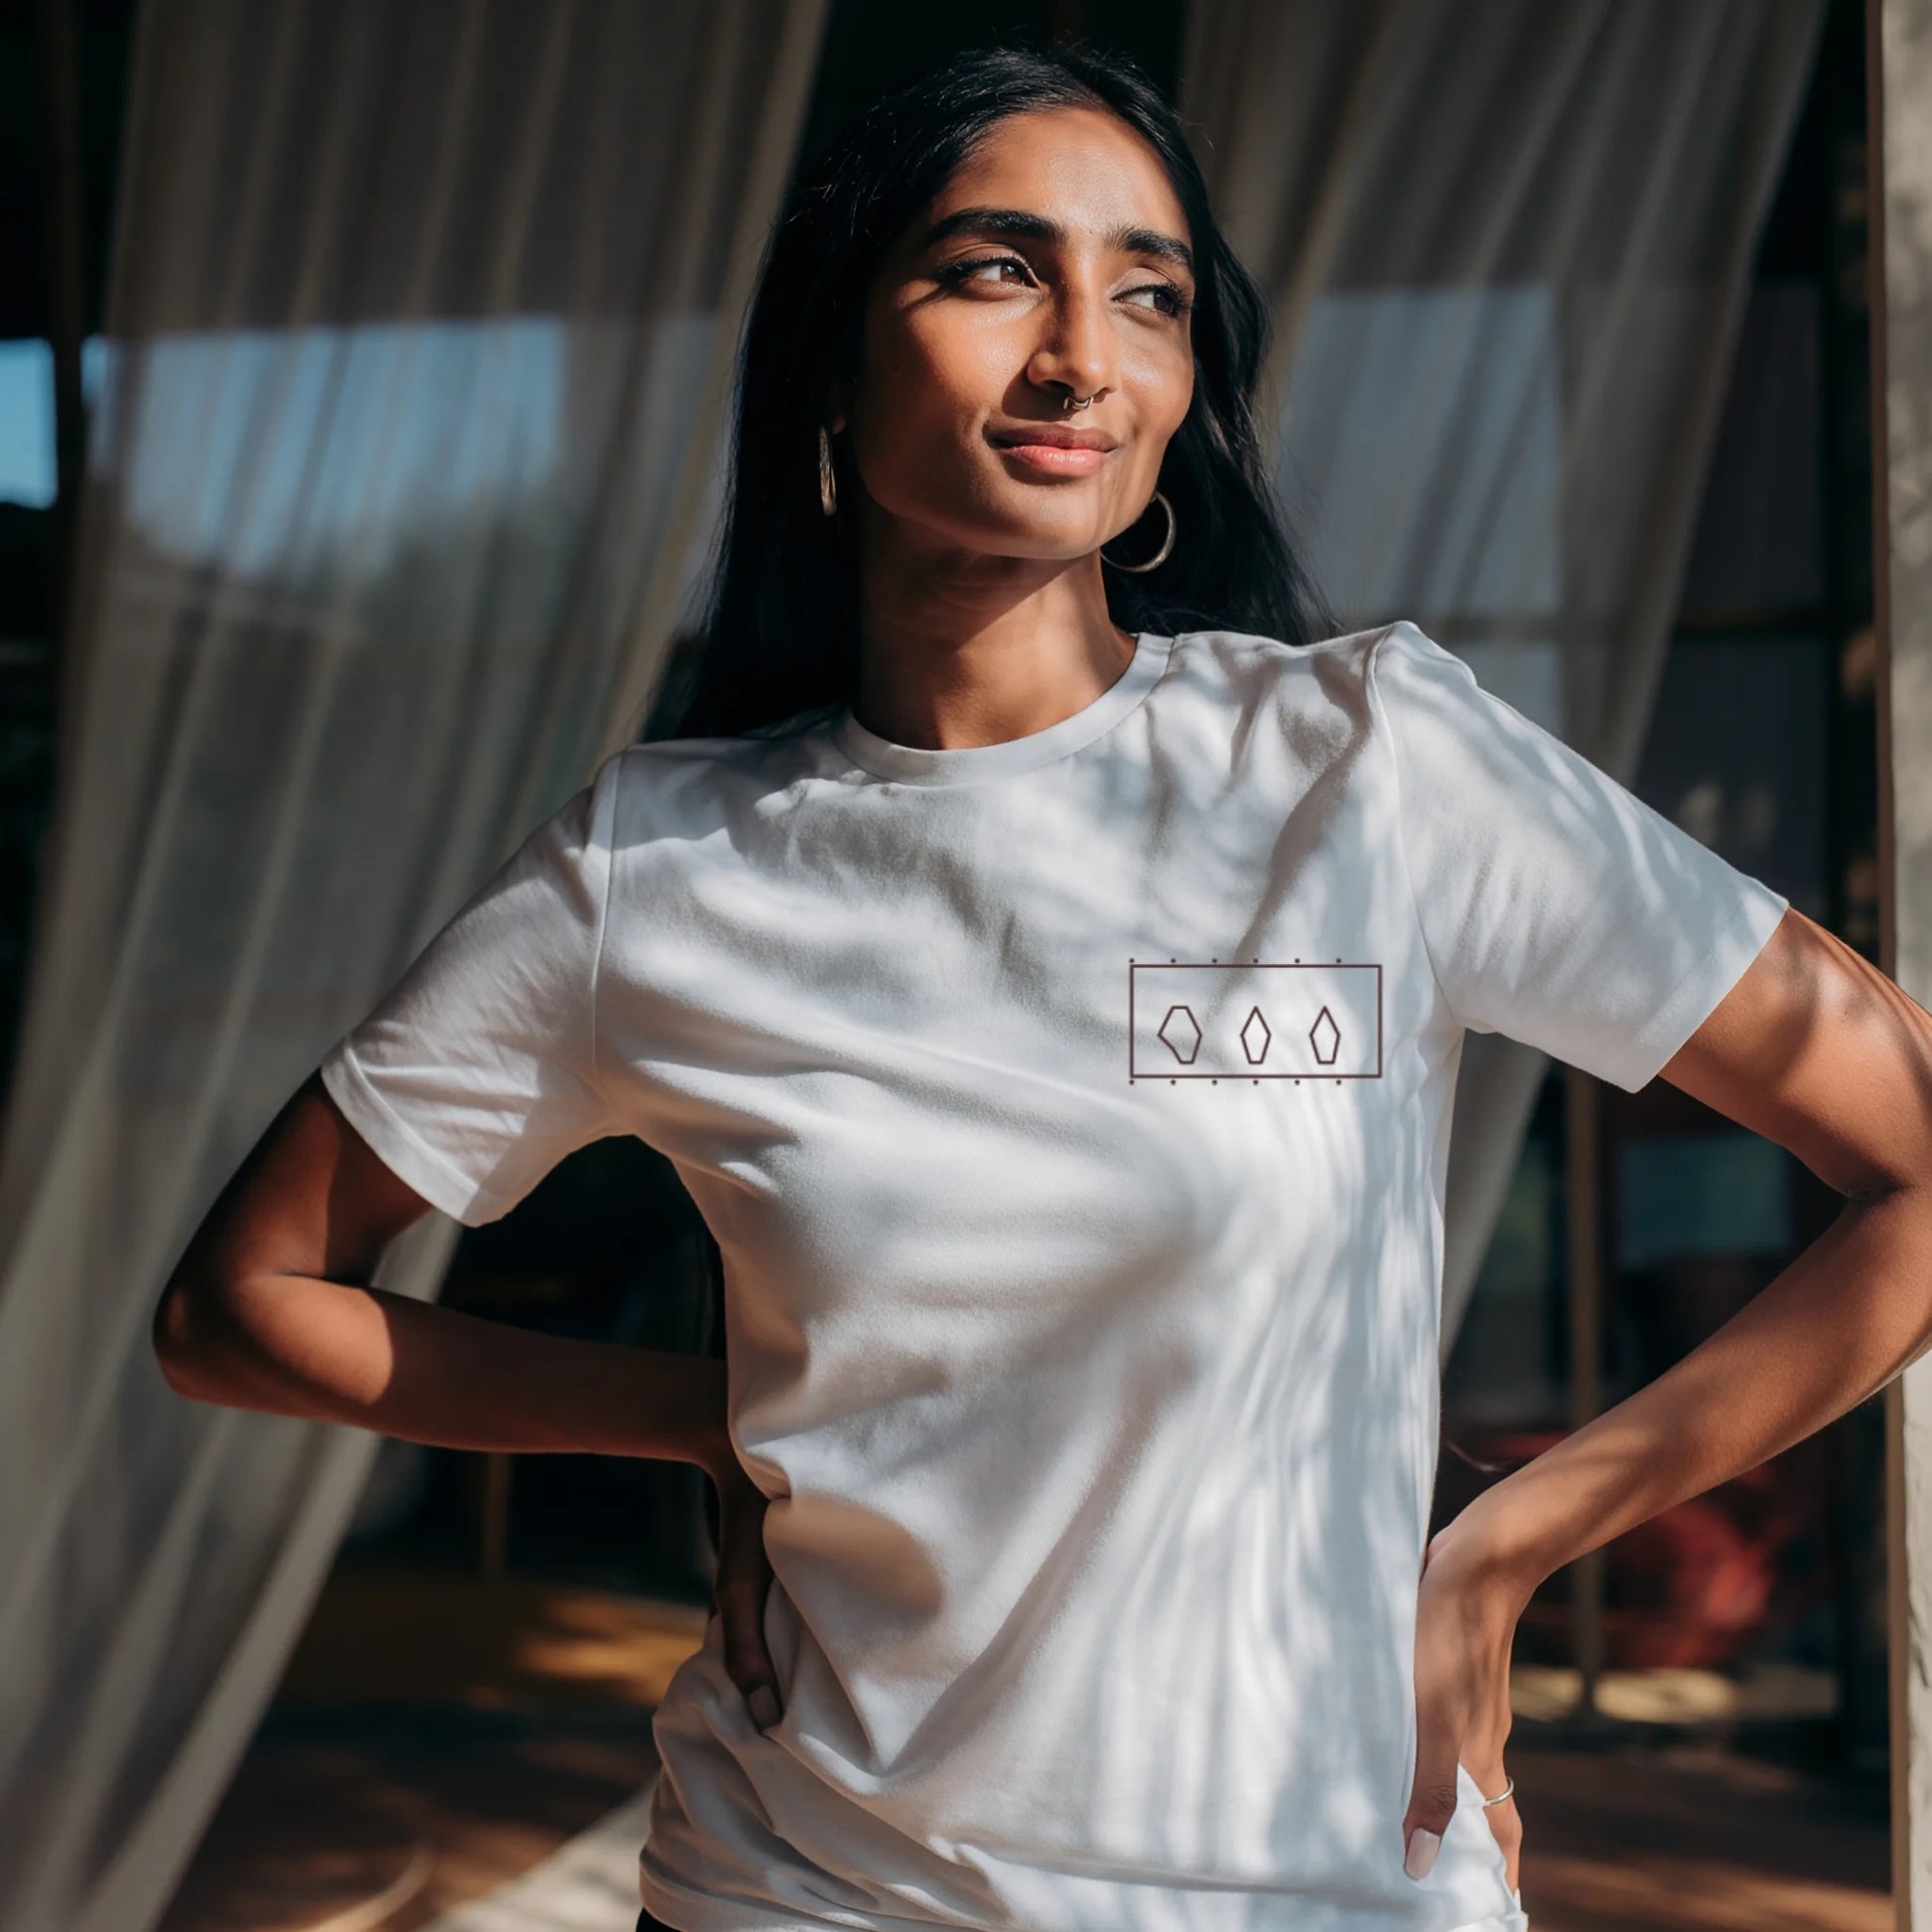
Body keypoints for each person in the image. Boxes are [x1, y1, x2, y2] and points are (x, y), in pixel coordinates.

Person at [152, 39, 1932, 1932]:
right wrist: (704, 1413)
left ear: (1181, 396)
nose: (1080, 348)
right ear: (831, 365)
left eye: (1146, 294)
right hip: (811, 1886)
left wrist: (1508, 1546)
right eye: (995, 269)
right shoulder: (655, 869)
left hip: (1335, 1885)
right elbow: (243, 1305)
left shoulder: (1367, 765)